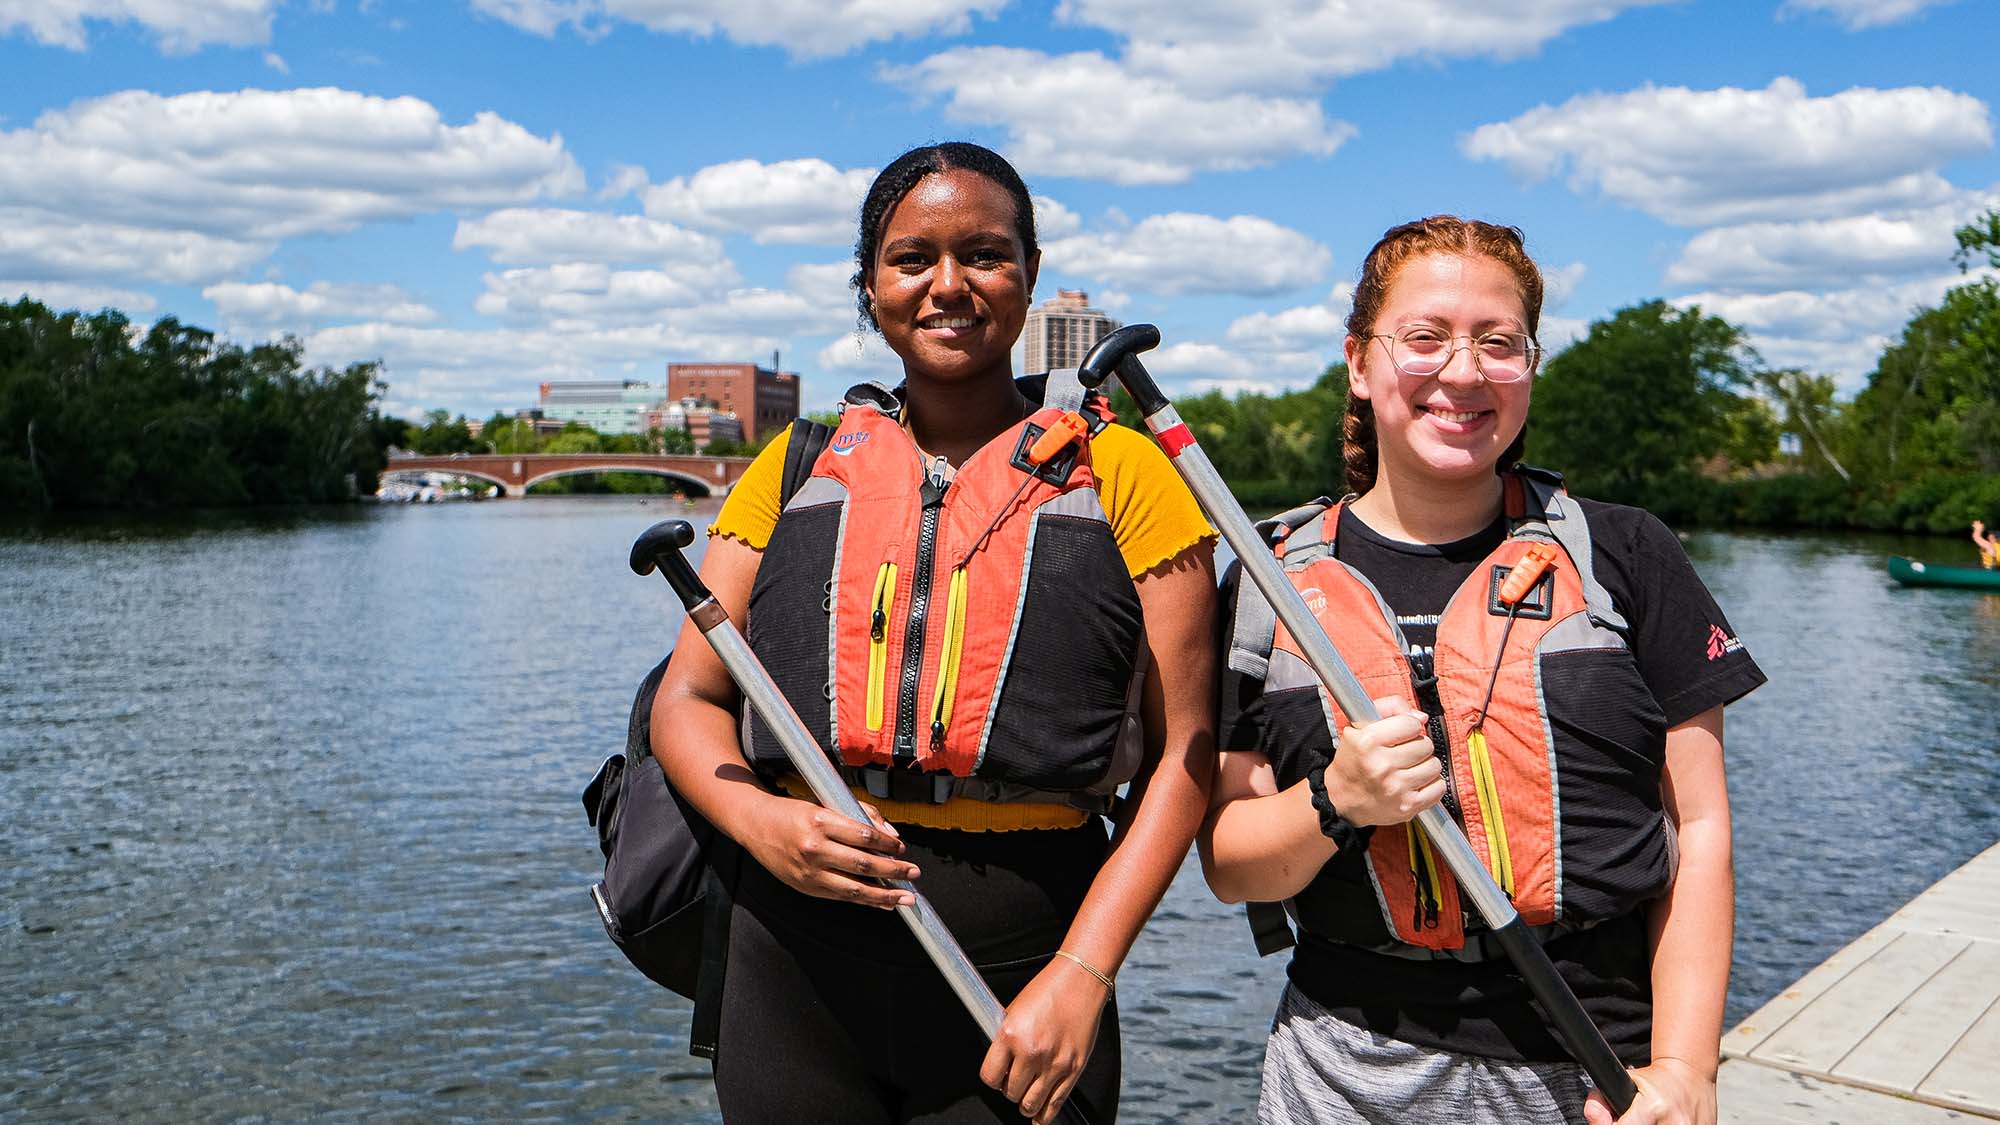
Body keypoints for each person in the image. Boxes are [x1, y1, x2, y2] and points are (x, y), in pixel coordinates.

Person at [651, 141, 1217, 1124]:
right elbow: (688, 699)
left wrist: (1083, 973)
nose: (947, 285)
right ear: (869, 289)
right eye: (911, 259)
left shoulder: (1125, 474)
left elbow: (1185, 758)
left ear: (1029, 277)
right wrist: (761, 823)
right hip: (792, 962)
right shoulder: (796, 465)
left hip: (1029, 972)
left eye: (984, 255)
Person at [1199, 216, 1766, 1125]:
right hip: (1343, 1070)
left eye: (1497, 344)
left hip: (1589, 1069)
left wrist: (1688, 1066)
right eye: (1424, 338)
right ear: (1359, 360)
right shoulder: (1267, 583)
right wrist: (1335, 800)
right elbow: (1230, 863)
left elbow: (1697, 831)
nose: (1462, 373)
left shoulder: (1626, 553)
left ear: (1530, 367)